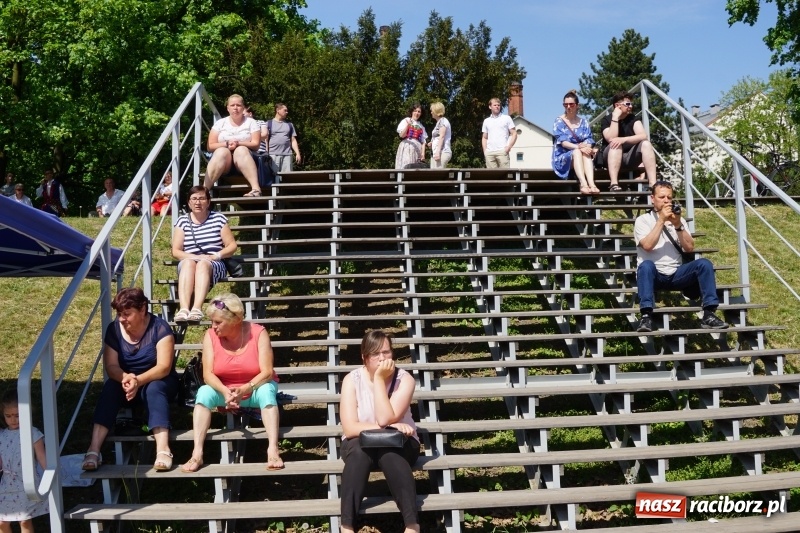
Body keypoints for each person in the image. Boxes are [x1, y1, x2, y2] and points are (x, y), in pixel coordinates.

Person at [180, 293, 283, 473]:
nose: (213, 326)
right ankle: (197, 452)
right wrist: (225, 391)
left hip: (255, 387)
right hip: (224, 390)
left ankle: (273, 448)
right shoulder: (210, 336)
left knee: (267, 390)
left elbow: (267, 372)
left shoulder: (258, 333)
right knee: (204, 392)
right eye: (212, 321)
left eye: (218, 322)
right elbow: (208, 374)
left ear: (235, 319)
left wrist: (245, 388)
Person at [82, 288, 179, 472]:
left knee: (154, 389)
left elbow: (164, 367)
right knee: (111, 387)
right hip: (127, 381)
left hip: (159, 380)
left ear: (142, 309)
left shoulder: (160, 328)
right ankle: (93, 449)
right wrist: (125, 377)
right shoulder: (114, 329)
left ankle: (163, 449)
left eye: (127, 314)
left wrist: (138, 380)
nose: (121, 319)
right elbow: (111, 366)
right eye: (119, 314)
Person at [339, 330, 420, 533]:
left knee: (390, 454)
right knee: (357, 452)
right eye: (376, 354)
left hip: (402, 442)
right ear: (364, 357)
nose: (383, 358)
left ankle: (412, 525)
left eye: (387, 352)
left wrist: (379, 381)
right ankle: (347, 525)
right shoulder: (352, 380)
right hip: (360, 441)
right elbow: (350, 428)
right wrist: (390, 428)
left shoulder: (405, 379)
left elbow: (383, 416)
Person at [634, 181, 729, 332]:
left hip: (676, 274)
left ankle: (709, 314)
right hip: (653, 275)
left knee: (704, 264)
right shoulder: (643, 220)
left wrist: (678, 225)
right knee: (645, 266)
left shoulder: (678, 220)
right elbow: (647, 246)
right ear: (652, 198)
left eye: (669, 197)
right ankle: (646, 316)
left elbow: (690, 248)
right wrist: (661, 221)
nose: (666, 201)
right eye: (662, 197)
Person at [171, 185, 238, 323]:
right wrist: (195, 257)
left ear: (208, 201)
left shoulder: (218, 219)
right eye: (194, 199)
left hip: (214, 262)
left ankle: (196, 308)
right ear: (189, 202)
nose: (197, 202)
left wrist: (216, 255)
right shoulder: (182, 221)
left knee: (202, 264)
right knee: (189, 263)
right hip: (189, 261)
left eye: (202, 198)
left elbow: (232, 246)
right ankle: (184, 309)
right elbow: (176, 251)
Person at [0, 389, 49, 532]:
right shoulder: (2, 435)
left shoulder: (33, 433)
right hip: (6, 485)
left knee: (24, 520)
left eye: (17, 415)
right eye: (8, 416)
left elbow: (42, 457)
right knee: (2, 521)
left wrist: (50, 479)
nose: (13, 420)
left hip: (26, 483)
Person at [204, 94, 262, 197]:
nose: (235, 108)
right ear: (228, 108)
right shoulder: (220, 123)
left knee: (241, 150)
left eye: (238, 105)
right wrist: (226, 144)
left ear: (243, 107)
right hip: (225, 162)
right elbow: (210, 146)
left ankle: (256, 189)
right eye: (232, 105)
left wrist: (238, 143)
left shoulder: (251, 122)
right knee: (221, 151)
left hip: (246, 159)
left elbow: (256, 144)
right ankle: (204, 191)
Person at [600, 91, 657, 191]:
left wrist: (623, 139)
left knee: (646, 144)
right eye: (627, 104)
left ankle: (653, 184)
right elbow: (610, 138)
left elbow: (643, 135)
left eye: (631, 104)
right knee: (615, 144)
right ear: (617, 105)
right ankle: (614, 183)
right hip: (610, 156)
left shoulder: (633, 118)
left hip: (629, 157)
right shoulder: (606, 120)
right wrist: (615, 118)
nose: (630, 106)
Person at [552, 90, 599, 194]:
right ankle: (583, 184)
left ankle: (591, 184)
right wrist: (579, 147)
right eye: (565, 105)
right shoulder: (559, 121)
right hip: (563, 156)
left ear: (577, 105)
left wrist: (586, 147)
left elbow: (589, 139)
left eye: (571, 104)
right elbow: (563, 142)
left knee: (584, 152)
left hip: (581, 154)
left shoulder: (583, 122)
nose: (568, 107)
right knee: (578, 151)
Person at [264, 103, 301, 177]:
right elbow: (266, 140)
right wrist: (266, 154)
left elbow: (293, 140)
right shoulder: (268, 123)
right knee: (274, 177)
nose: (287, 112)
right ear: (278, 110)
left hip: (287, 155)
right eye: (285, 110)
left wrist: (297, 153)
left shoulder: (289, 125)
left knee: (287, 178)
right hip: (273, 155)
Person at [481, 97, 517, 168]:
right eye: (495, 105)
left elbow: (514, 133)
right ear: (490, 107)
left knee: (505, 176)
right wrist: (485, 151)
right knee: (492, 177)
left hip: (502, 151)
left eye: (498, 105)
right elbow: (484, 137)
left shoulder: (506, 118)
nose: (497, 107)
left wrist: (508, 147)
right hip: (490, 153)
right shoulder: (486, 121)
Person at [394, 103, 427, 170]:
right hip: (407, 146)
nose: (417, 113)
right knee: (406, 165)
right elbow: (401, 135)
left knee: (415, 168)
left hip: (417, 148)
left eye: (419, 112)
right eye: (415, 111)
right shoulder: (406, 120)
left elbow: (423, 142)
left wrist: (423, 154)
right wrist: (408, 125)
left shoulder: (421, 126)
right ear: (412, 112)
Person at [428, 102, 452, 169]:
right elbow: (438, 137)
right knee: (433, 176)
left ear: (436, 111)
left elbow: (442, 136)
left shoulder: (443, 121)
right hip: (436, 153)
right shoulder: (439, 122)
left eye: (432, 110)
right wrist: (432, 143)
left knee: (437, 176)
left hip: (442, 152)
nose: (431, 112)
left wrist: (438, 152)